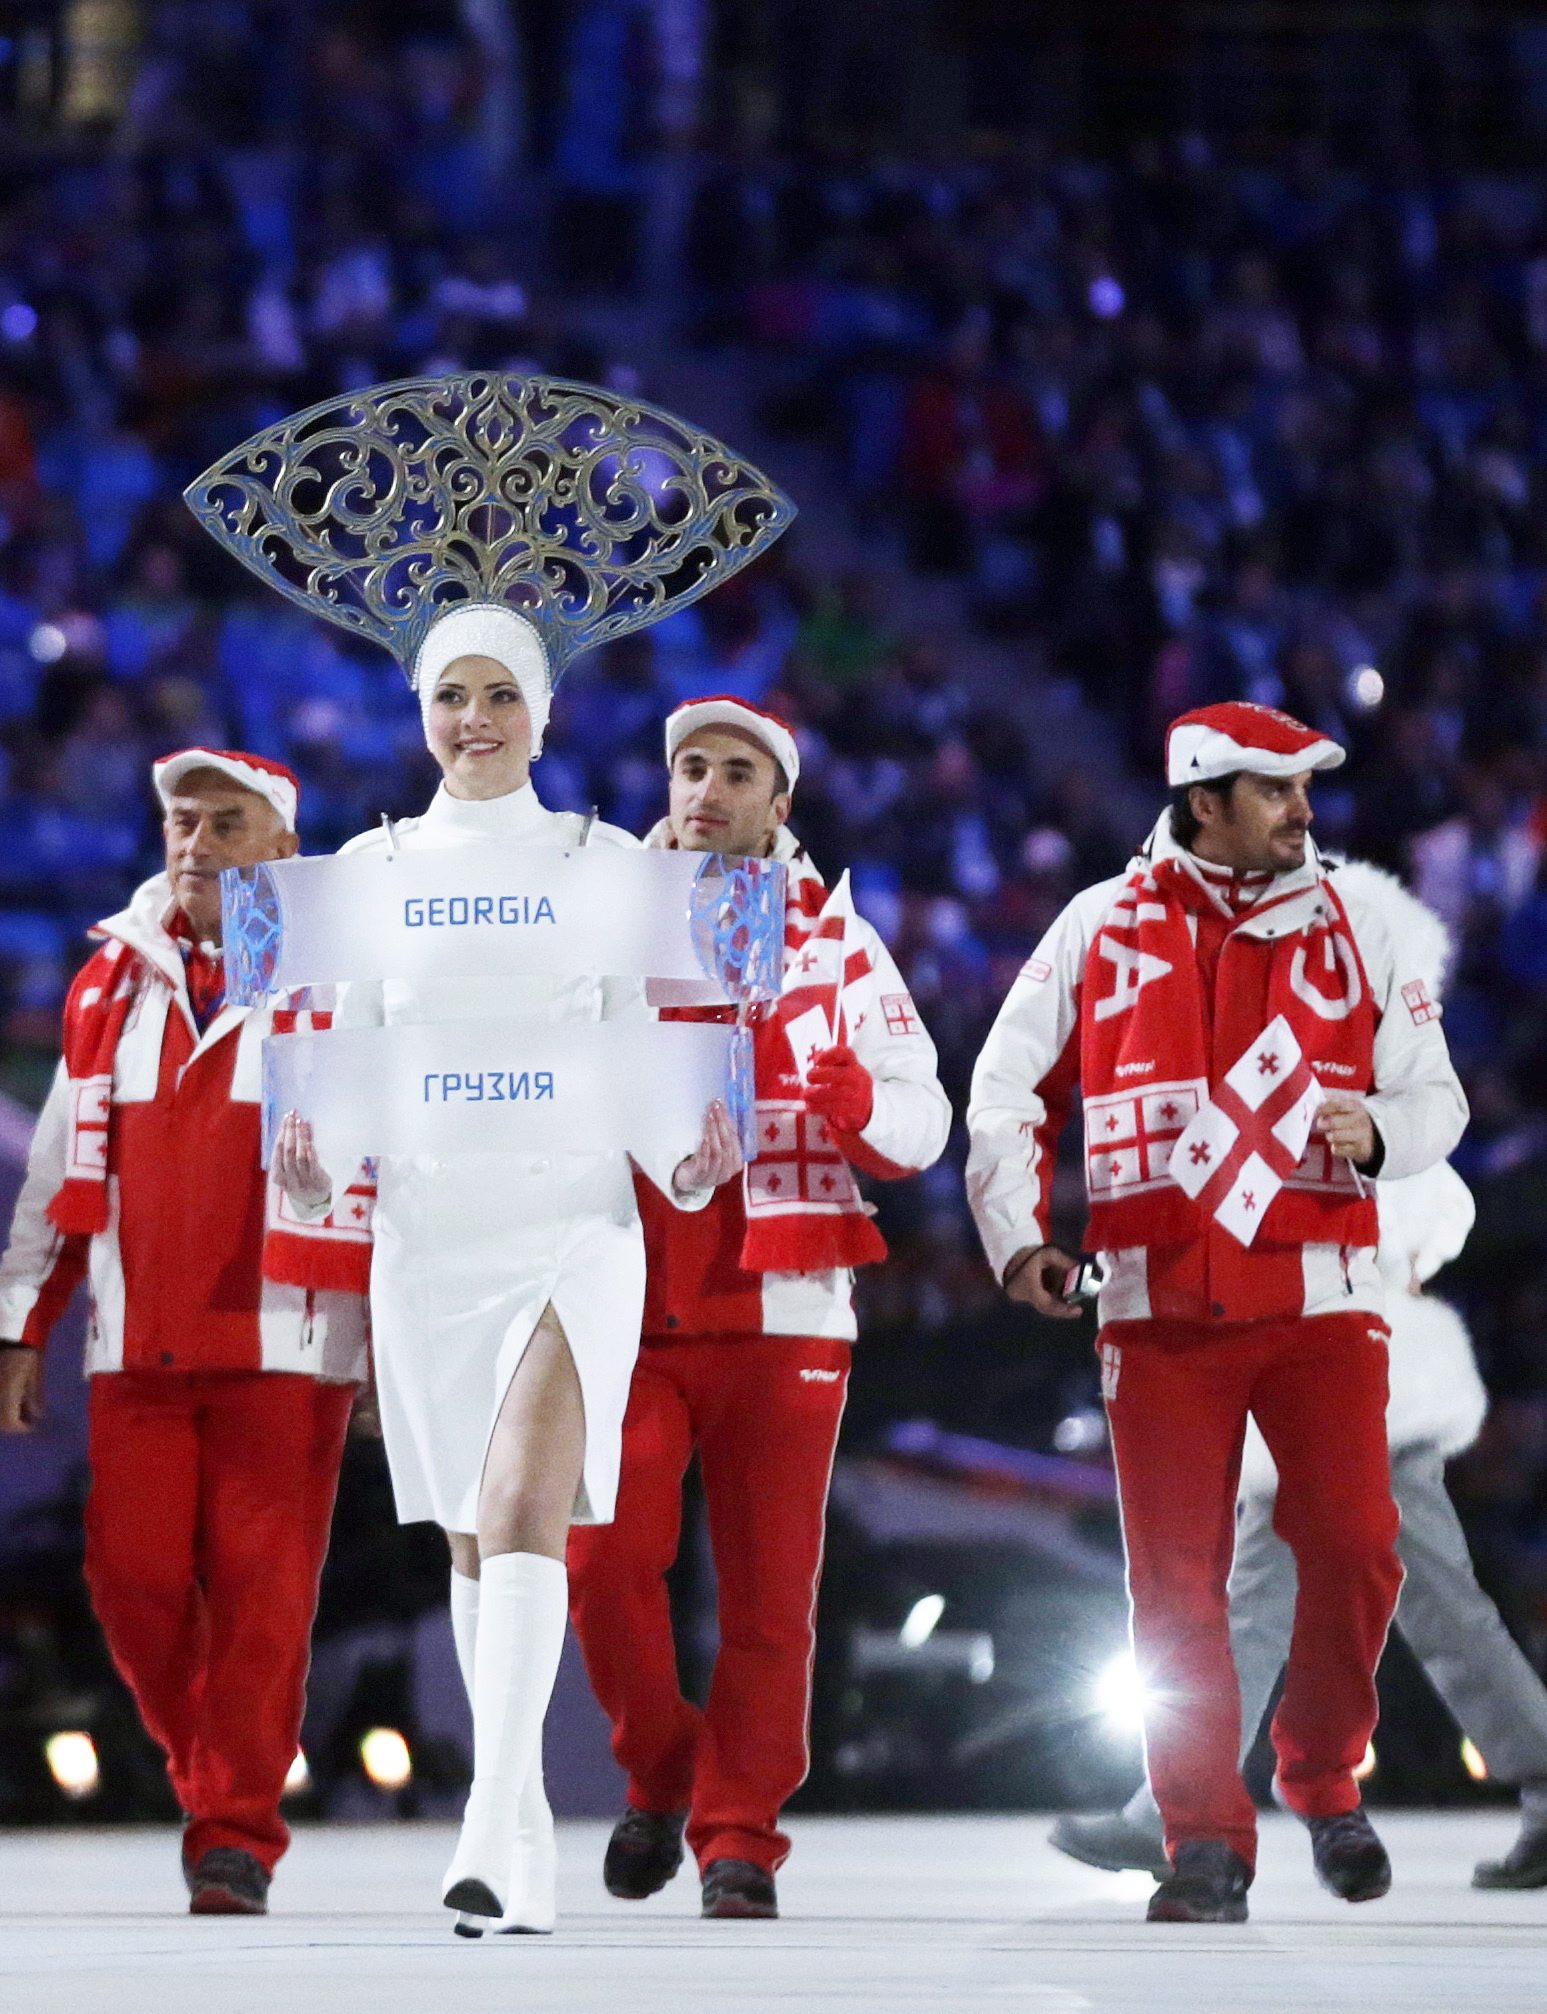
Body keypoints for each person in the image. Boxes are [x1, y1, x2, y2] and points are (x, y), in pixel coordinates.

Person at [269, 607, 743, 1934]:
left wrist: (690, 1159)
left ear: (542, 712)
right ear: (419, 710)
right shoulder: (365, 870)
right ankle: (520, 1838)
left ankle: (488, 1811)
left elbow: (645, 1049)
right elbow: (343, 1054)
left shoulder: (609, 866)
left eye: (498, 695)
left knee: (524, 1498)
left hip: (572, 1220)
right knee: (472, 1534)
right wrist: (307, 1166)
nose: (472, 719)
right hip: (426, 1233)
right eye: (450, 695)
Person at [969, 701, 1468, 1923]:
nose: (1304, 811)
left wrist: (1380, 1130)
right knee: (1172, 1585)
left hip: (1321, 1292)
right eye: (1277, 789)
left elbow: (1436, 1097)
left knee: (1356, 1542)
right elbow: (1004, 1082)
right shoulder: (1097, 921)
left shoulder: (1359, 922)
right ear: (1205, 800)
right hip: (1154, 1304)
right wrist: (1016, 1235)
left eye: (1305, 788)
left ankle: (1321, 1771)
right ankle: (1201, 1841)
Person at [1047, 860, 1547, 1892]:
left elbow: (1431, 1208)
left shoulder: (1347, 1075)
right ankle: (1177, 1807)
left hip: (1354, 1372)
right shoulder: (1287, 1066)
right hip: (1313, 1368)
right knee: (1345, 1599)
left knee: (1372, 1600)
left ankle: (1174, 1810)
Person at [568, 700, 949, 1920]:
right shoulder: (598, 920)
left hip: (786, 1306)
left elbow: (922, 1115)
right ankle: (662, 1765)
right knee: (600, 1558)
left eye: (737, 772)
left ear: (778, 804)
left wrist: (858, 1103)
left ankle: (739, 1835)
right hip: (626, 1297)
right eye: (690, 766)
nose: (707, 789)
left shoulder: (838, 939)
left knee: (770, 1596)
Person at [0, 747, 370, 1917]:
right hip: (135, 1342)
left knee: (263, 1602)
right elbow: (56, 1165)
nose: (196, 842)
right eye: (182, 821)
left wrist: (397, 1347)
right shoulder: (109, 980)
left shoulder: (346, 980)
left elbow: (399, 1169)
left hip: (287, 1342)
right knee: (128, 1579)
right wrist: (20, 1320)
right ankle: (216, 1769)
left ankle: (234, 1832)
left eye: (226, 822)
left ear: (283, 846)